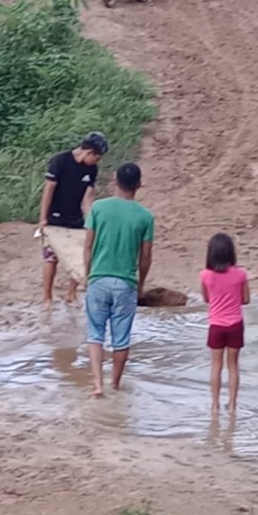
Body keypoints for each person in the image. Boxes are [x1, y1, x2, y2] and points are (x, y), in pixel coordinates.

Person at [83, 162, 154, 397]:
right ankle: (114, 383)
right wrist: (140, 284)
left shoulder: (98, 208)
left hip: (98, 279)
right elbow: (145, 257)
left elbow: (88, 246)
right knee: (121, 338)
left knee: (95, 334)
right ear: (139, 185)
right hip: (126, 283)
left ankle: (97, 384)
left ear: (114, 180)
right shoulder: (145, 217)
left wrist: (87, 276)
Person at [37, 132, 109, 307]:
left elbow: (88, 196)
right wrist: (43, 218)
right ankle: (47, 298)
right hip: (54, 218)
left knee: (80, 256)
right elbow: (49, 190)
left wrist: (91, 219)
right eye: (97, 157)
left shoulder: (91, 169)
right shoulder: (60, 161)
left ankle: (71, 294)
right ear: (89, 153)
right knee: (50, 258)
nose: (97, 162)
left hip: (76, 219)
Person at [200, 233, 250, 416]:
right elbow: (246, 300)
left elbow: (206, 298)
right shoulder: (241, 274)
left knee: (216, 365)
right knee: (233, 366)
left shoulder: (205, 275)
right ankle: (232, 404)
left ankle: (214, 404)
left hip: (216, 325)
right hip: (235, 324)